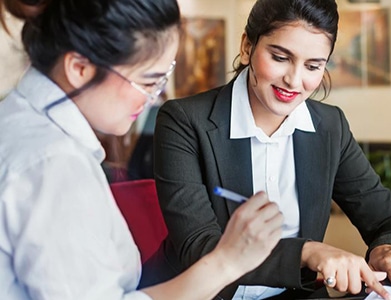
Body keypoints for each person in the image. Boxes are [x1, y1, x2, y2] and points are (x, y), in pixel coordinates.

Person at [0, 0, 283, 299]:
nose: (152, 98)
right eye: (148, 81)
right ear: (80, 68)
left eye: (162, 79)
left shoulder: (18, 119)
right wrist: (227, 262)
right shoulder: (53, 166)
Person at [153, 0, 391, 299]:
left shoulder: (329, 126)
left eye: (313, 66)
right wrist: (307, 252)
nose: (294, 80)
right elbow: (199, 246)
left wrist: (389, 248)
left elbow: (386, 219)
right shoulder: (184, 121)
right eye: (280, 57)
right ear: (247, 47)